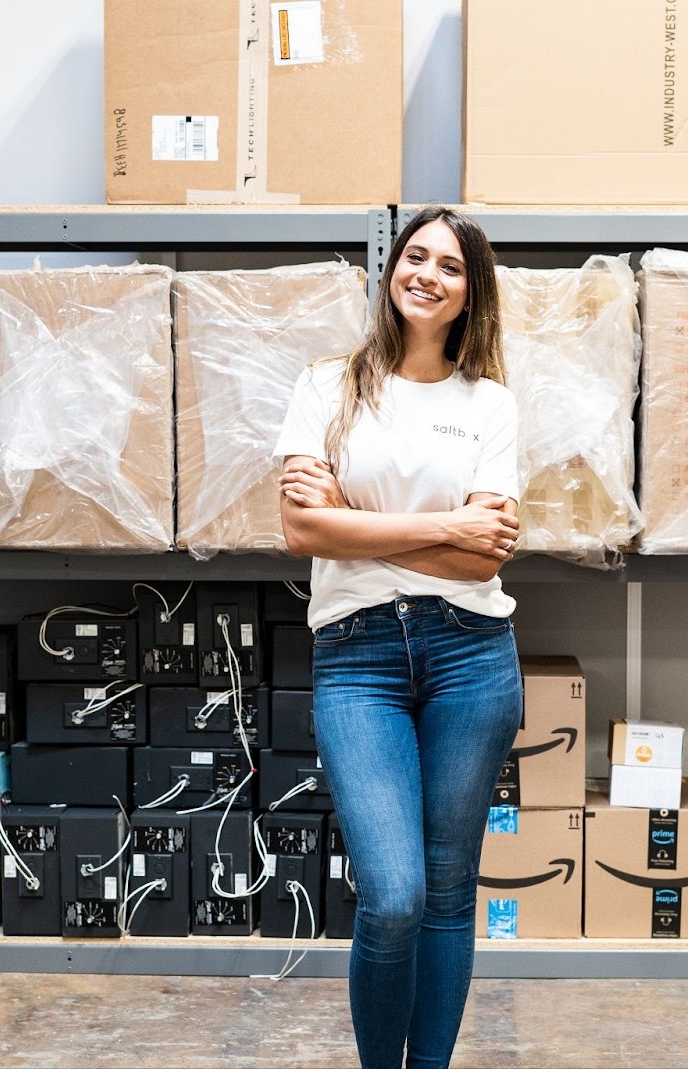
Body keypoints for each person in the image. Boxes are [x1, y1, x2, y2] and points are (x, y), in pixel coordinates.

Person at [272, 205, 522, 1069]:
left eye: (449, 267)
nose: (426, 273)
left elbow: (479, 562)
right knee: (394, 894)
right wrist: (443, 525)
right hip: (358, 657)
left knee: (451, 890)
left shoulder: (489, 404)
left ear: (468, 294)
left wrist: (356, 519)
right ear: (392, 272)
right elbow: (303, 534)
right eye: (415, 256)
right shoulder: (328, 385)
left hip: (471, 653)